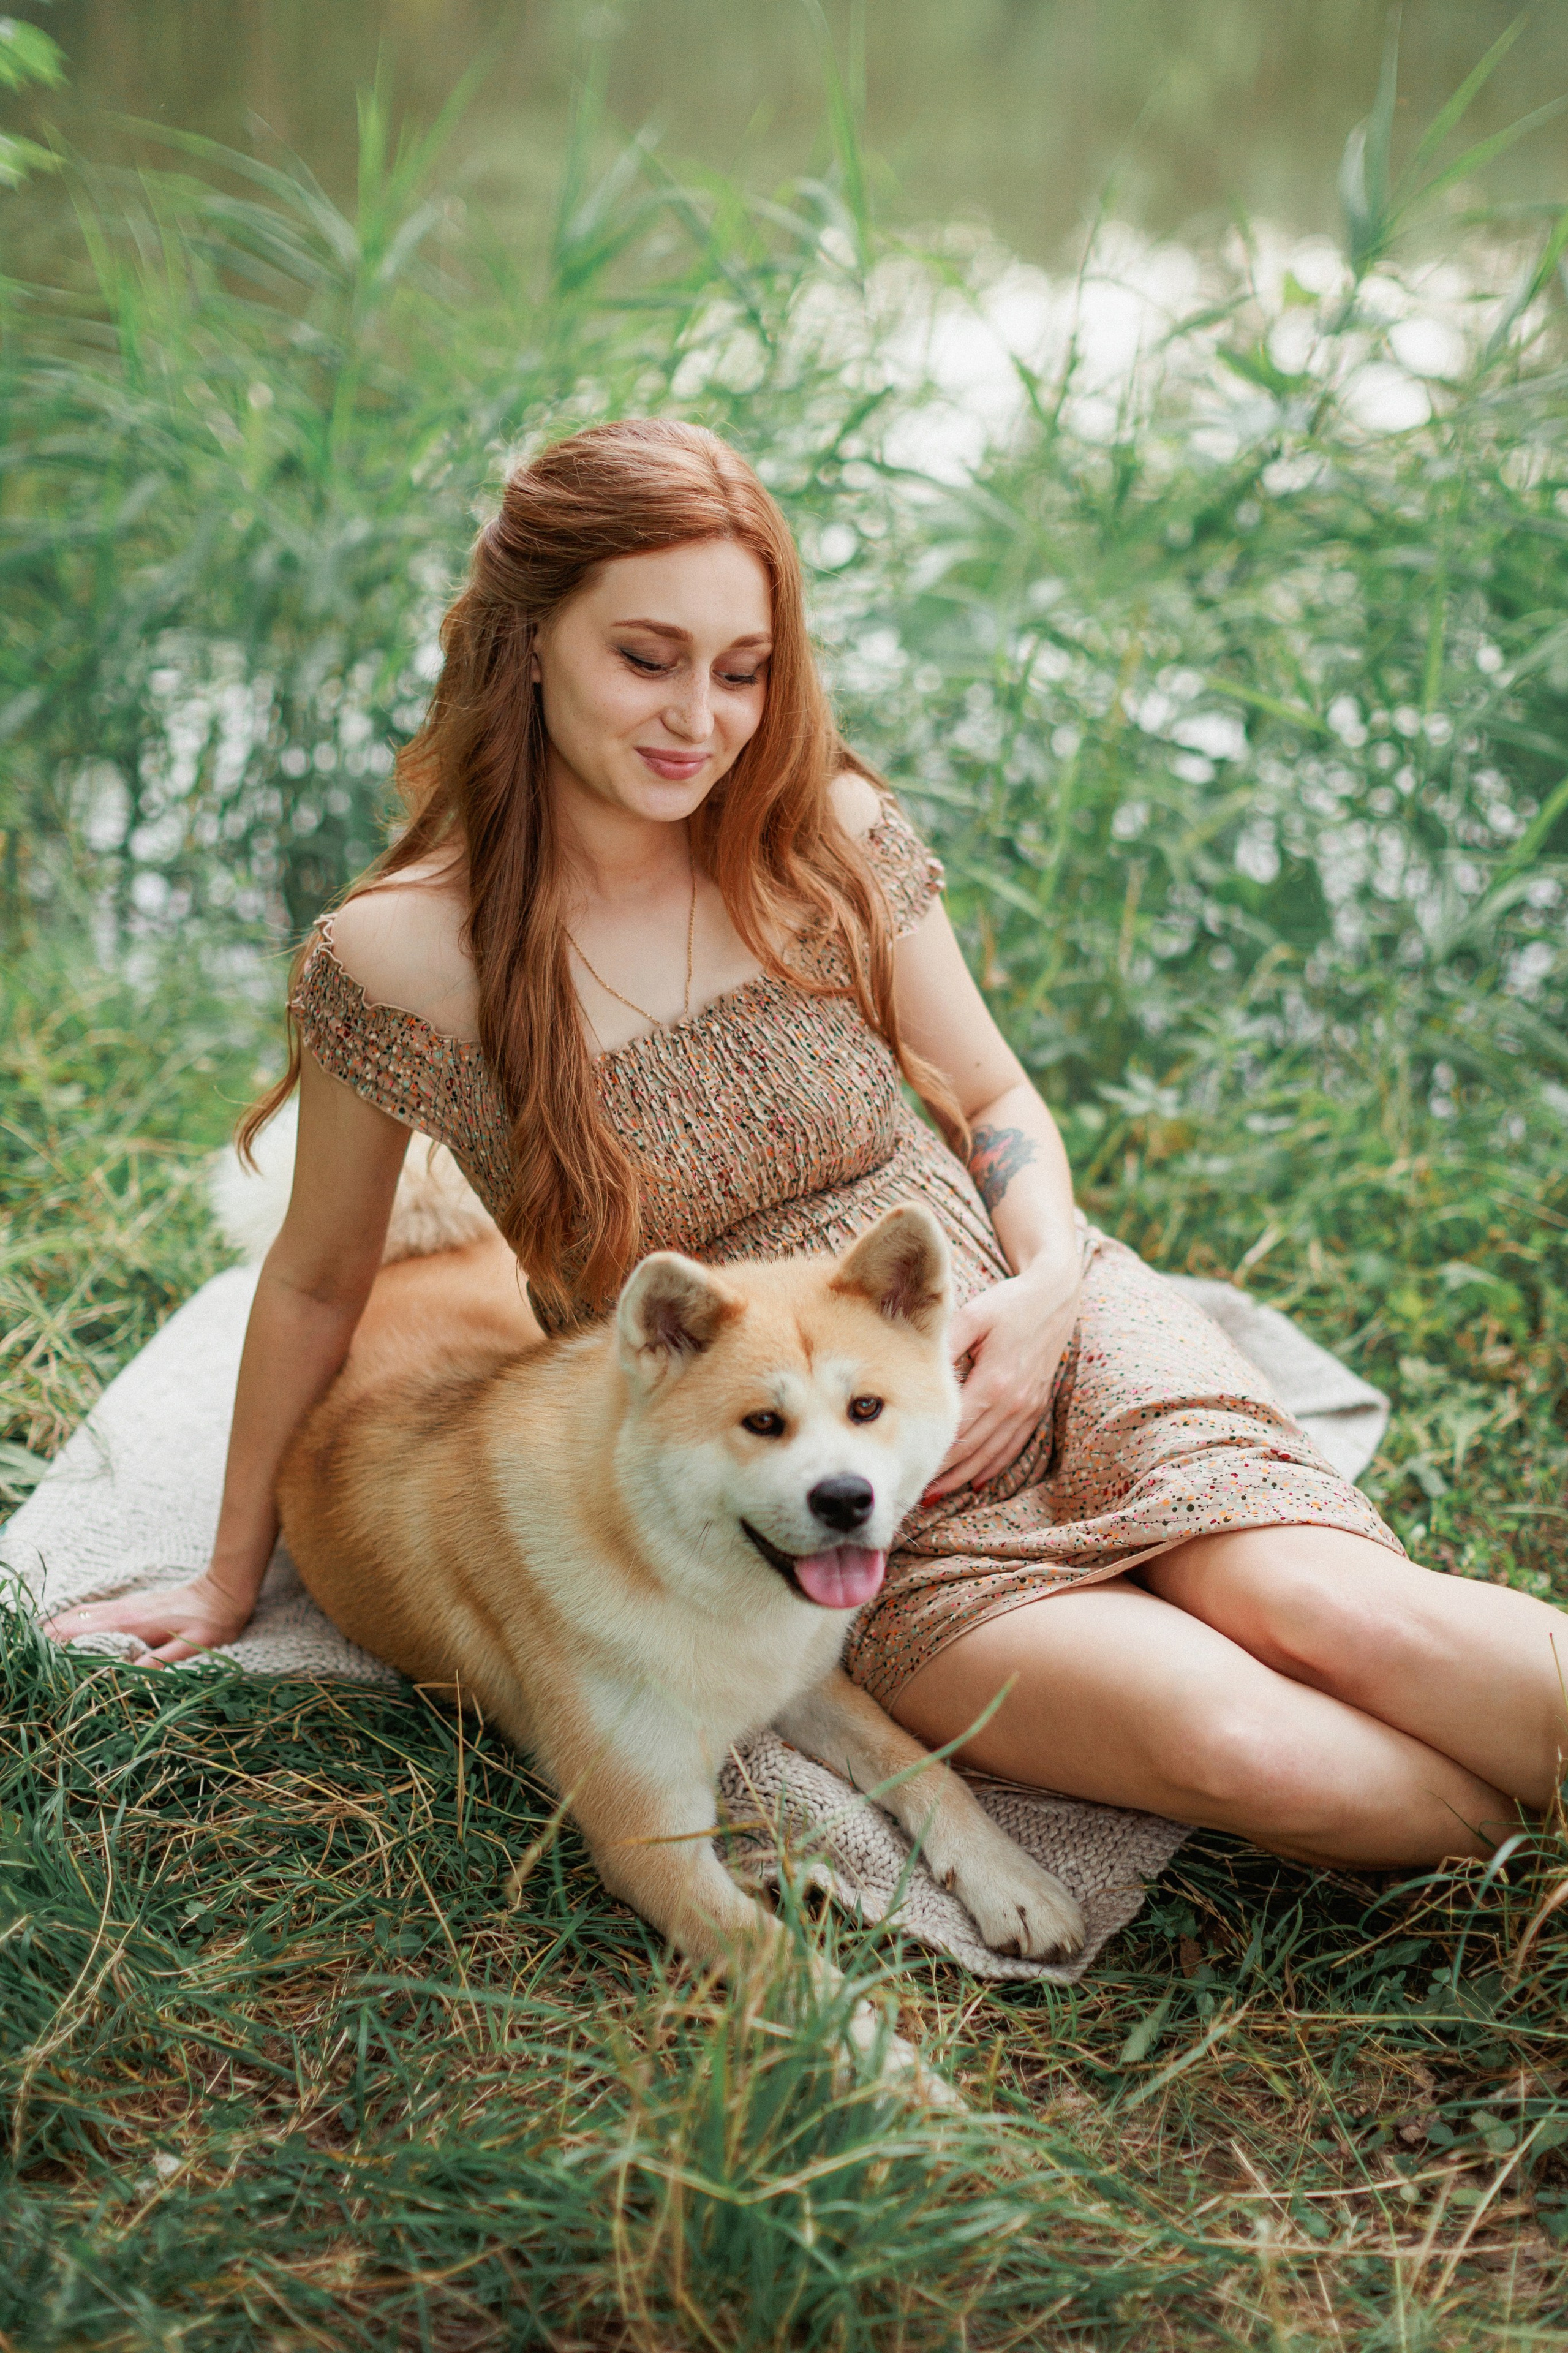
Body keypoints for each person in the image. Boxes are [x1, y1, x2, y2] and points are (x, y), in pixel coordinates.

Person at [47, 420, 1566, 1870]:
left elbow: (991, 1098)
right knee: (1243, 1747)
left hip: (1015, 1323)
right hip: (792, 1477)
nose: (698, 720)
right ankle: (1523, 1855)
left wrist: (1046, 1293)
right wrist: (228, 1575)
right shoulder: (399, 956)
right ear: (525, 642)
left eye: (742, 670)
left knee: (1341, 1616)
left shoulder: (816, 830)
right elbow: (315, 1280)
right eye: (646, 659)